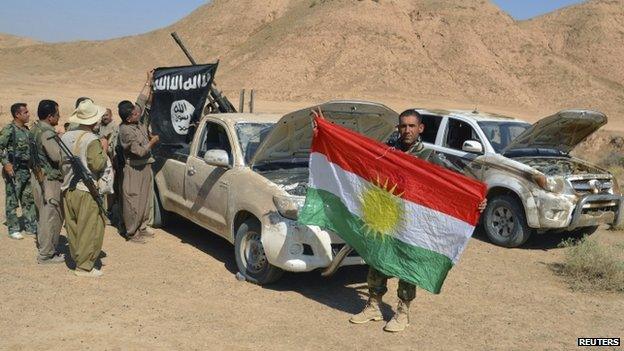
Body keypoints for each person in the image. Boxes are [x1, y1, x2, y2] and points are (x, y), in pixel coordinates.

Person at [350, 109, 487, 332]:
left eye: (411, 126)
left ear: (420, 128)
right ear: (398, 127)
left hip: (413, 223)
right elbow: (357, 156)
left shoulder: (430, 158)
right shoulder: (387, 153)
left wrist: (476, 201)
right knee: (378, 260)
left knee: (407, 265)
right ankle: (373, 305)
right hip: (386, 219)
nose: (407, 130)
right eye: (403, 126)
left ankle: (402, 312)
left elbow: (458, 183)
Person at [61, 99, 109, 277]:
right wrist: (103, 151)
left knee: (73, 227)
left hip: (68, 188)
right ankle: (84, 265)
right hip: (87, 190)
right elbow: (97, 165)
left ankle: (77, 258)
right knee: (90, 228)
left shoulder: (65, 136)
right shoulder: (92, 140)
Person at [118, 71, 159, 243]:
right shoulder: (126, 131)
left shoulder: (136, 120)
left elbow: (141, 101)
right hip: (134, 168)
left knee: (144, 199)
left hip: (145, 166)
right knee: (133, 201)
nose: (138, 114)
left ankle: (142, 226)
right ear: (128, 118)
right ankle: (131, 231)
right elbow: (140, 151)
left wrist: (148, 82)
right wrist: (152, 142)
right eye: (135, 114)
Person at [31, 100, 65, 263]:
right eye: (57, 114)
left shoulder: (35, 129)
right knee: (50, 216)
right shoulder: (47, 133)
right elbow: (56, 156)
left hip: (38, 177)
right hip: (49, 181)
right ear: (50, 116)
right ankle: (46, 254)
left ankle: (46, 249)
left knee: (43, 216)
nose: (59, 116)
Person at [0, 103, 38, 239]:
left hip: (25, 169)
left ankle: (31, 225)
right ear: (17, 114)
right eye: (26, 112)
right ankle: (13, 228)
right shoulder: (9, 129)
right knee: (12, 199)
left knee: (28, 198)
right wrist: (6, 164)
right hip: (14, 169)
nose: (28, 114)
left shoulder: (26, 130)